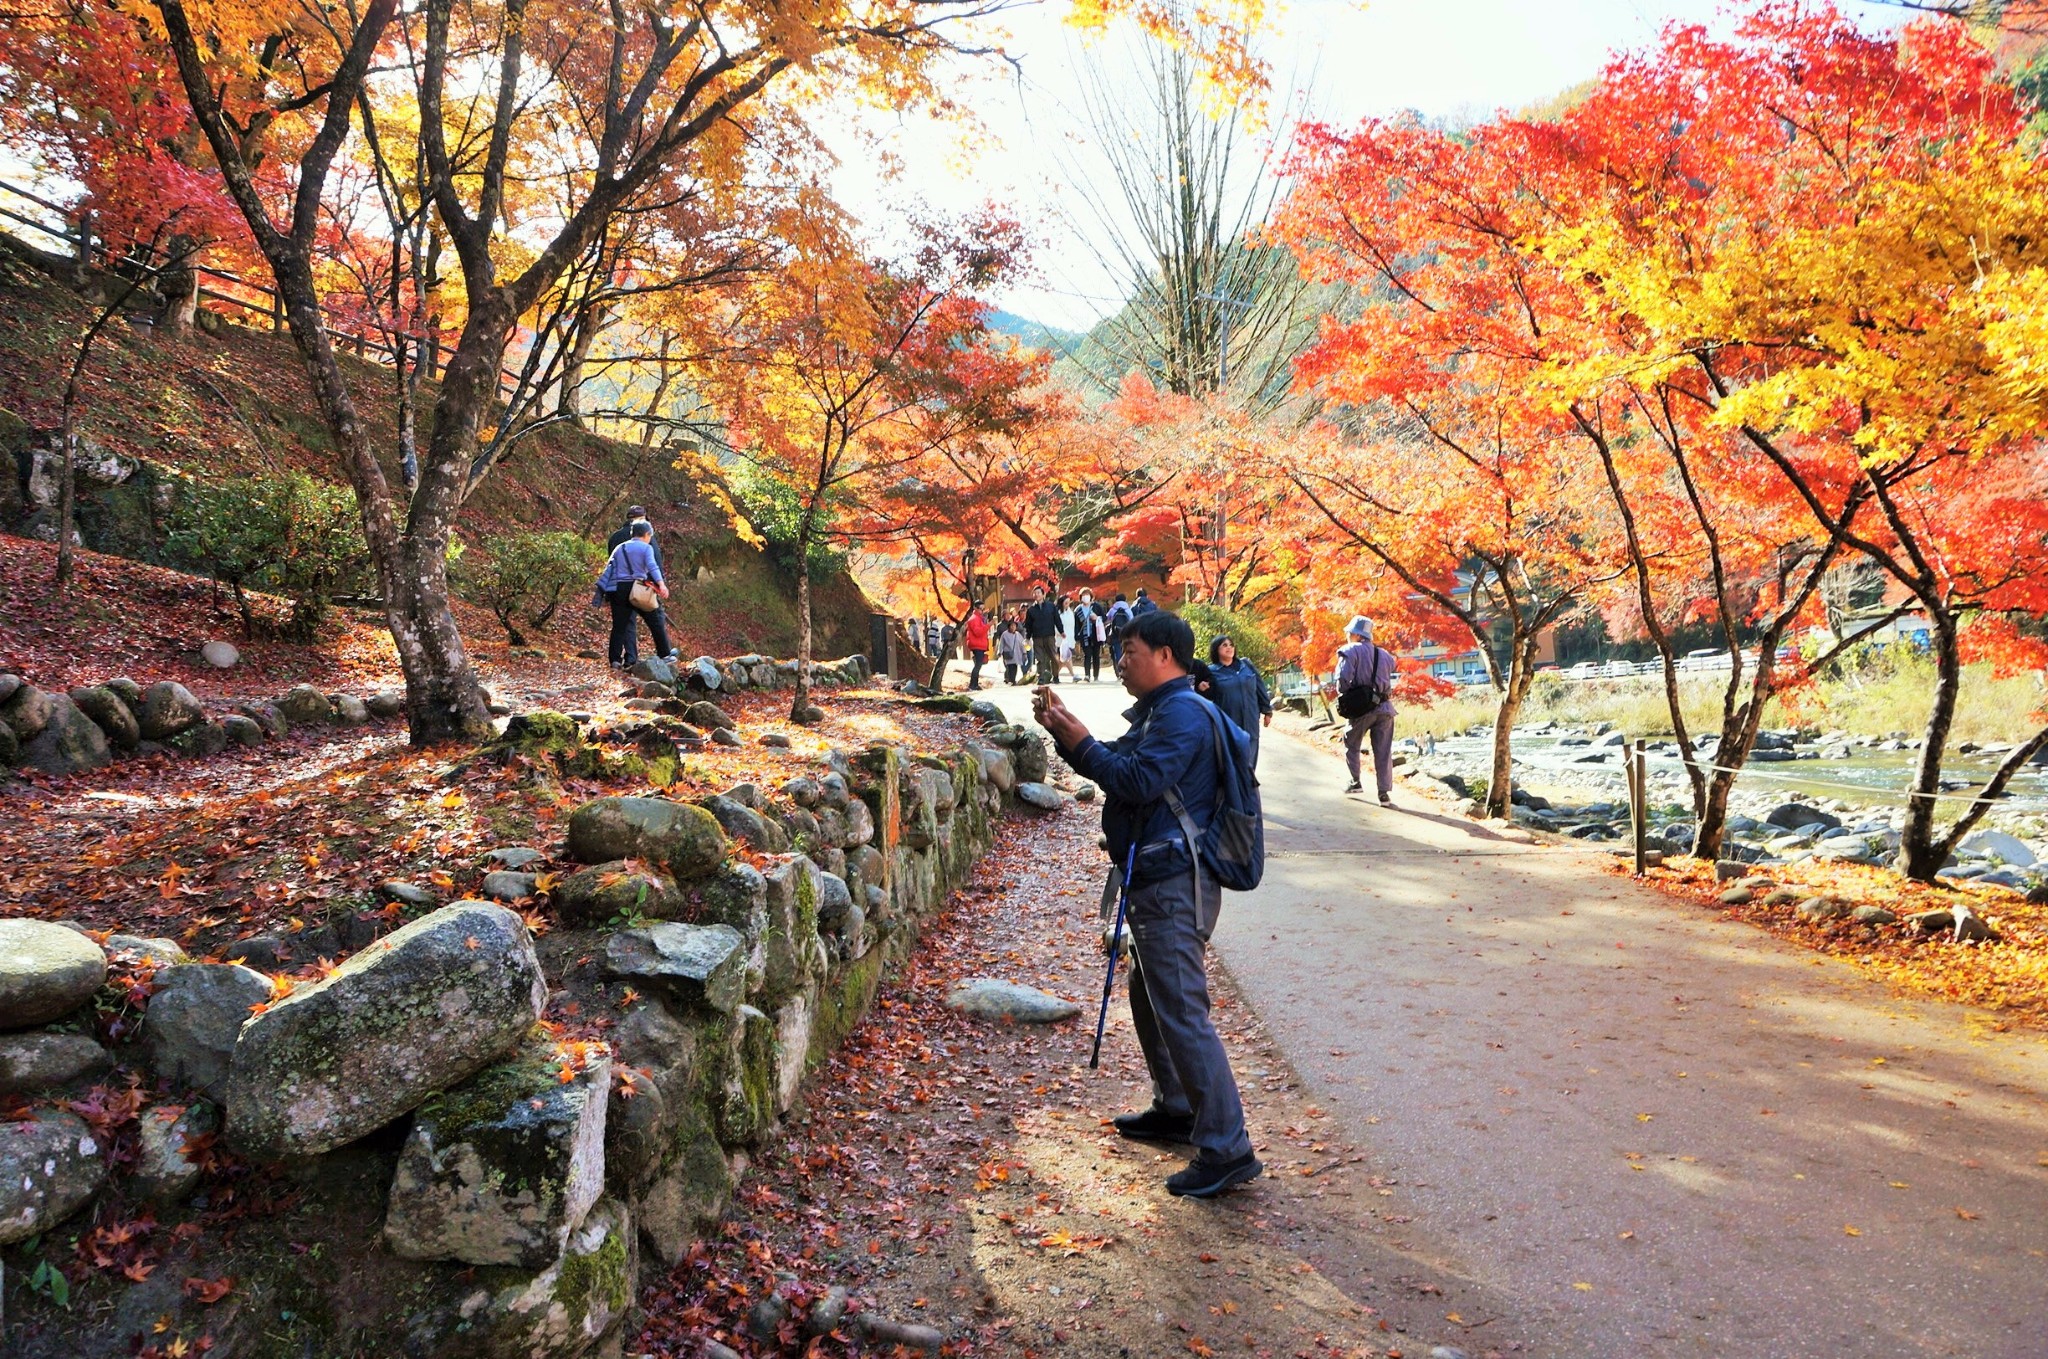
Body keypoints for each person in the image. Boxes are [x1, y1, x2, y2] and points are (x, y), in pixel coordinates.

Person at [1034, 612, 1261, 1199]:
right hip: (1159, 876)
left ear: (1164, 654)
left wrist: (1077, 738)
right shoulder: (1168, 710)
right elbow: (1122, 765)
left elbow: (1133, 781)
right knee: (1150, 992)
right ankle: (1180, 1107)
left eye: (1128, 649)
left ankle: (1227, 1147)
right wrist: (1071, 733)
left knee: (1182, 1008)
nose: (1121, 660)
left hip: (1174, 881)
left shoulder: (1182, 712)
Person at [1333, 615, 1397, 803]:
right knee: (1383, 751)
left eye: (1348, 632)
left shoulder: (1349, 651)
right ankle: (1384, 793)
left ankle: (1355, 782)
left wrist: (1346, 697)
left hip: (1361, 708)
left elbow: (1343, 679)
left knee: (1351, 742)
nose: (1346, 635)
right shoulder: (1385, 655)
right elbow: (1389, 672)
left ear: (1355, 634)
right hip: (1385, 707)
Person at [597, 520, 673, 668]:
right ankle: (665, 654)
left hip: (618, 589)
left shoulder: (620, 547)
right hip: (638, 588)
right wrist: (661, 585)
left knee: (619, 626)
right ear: (646, 534)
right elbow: (652, 566)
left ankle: (615, 660)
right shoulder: (646, 548)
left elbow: (609, 567)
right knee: (656, 621)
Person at [1197, 635, 1274, 766]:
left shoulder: (1246, 666)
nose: (1229, 648)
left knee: (1250, 763)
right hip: (1228, 724)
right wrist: (1200, 689)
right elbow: (1205, 698)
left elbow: (1260, 688)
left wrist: (1267, 710)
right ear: (1216, 649)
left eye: (1231, 645)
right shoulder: (1211, 672)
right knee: (1231, 764)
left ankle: (1248, 786)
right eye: (1224, 645)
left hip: (1250, 722)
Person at [1024, 584, 1062, 686]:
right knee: (1039, 658)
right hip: (1037, 637)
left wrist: (1061, 631)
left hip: (1049, 635)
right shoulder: (1031, 610)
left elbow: (1057, 619)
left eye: (1038, 593)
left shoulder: (1051, 606)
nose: (1036, 595)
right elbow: (1028, 625)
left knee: (1053, 656)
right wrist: (1027, 637)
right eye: (1035, 593)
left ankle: (1056, 676)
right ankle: (1040, 677)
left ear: (1043, 594)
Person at [1076, 589, 1104, 681]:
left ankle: (1096, 675)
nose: (1085, 597)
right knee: (1087, 655)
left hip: (1096, 634)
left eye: (1087, 595)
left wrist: (1097, 618)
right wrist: (1077, 636)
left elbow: (1104, 617)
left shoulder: (1096, 607)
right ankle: (1087, 675)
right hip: (1084, 635)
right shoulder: (1078, 610)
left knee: (1096, 655)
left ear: (1091, 596)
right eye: (1083, 595)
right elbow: (1076, 625)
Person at [962, 604, 991, 690]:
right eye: (980, 608)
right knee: (978, 665)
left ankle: (975, 684)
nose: (982, 610)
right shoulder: (974, 619)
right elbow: (978, 632)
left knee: (978, 665)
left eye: (983, 608)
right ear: (975, 608)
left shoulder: (979, 618)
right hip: (976, 644)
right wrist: (988, 625)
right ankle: (972, 685)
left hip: (979, 644)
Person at [1104, 593, 1134, 671]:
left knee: (1117, 651)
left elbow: (1107, 620)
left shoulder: (1112, 610)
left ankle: (1120, 670)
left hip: (1115, 633)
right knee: (1126, 651)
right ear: (1125, 600)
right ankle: (1126, 668)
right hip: (1126, 633)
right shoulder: (1128, 609)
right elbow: (1132, 621)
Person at [996, 615, 1030, 684]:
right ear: (1009, 627)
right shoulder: (1004, 634)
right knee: (1009, 667)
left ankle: (1012, 680)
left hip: (1016, 654)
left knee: (1014, 667)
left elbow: (1022, 643)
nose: (1013, 627)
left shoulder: (1018, 635)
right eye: (1011, 626)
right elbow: (1001, 643)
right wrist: (1000, 651)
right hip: (1008, 654)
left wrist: (1025, 651)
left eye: (1014, 626)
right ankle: (1010, 679)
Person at [1055, 593, 1080, 683]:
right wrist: (1060, 633)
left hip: (1069, 639)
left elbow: (1072, 626)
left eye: (1068, 603)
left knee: (1063, 660)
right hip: (1060, 639)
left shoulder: (1070, 613)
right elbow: (1055, 626)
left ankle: (1055, 675)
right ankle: (1073, 675)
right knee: (1066, 657)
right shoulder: (1058, 613)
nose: (1067, 604)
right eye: (1065, 603)